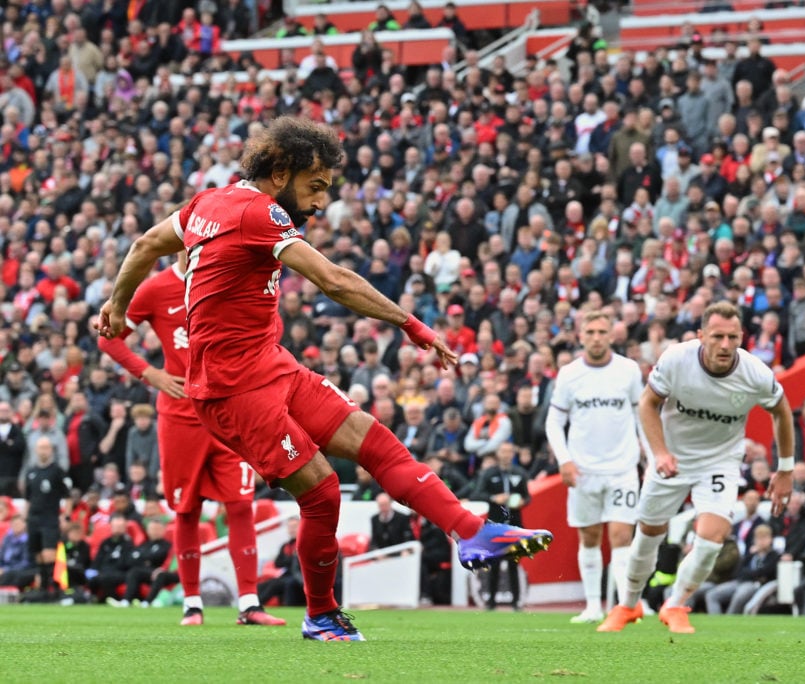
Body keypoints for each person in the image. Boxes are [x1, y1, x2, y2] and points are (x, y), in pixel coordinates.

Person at [97, 117, 552, 642]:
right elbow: (334, 280)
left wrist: (116, 303)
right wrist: (411, 324)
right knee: (322, 491)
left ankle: (472, 532)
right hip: (231, 390)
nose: (319, 203)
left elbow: (143, 245)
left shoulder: (206, 204)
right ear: (280, 172)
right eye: (315, 187)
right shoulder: (259, 212)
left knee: (376, 443)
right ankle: (320, 615)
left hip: (271, 365)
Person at [98, 250, 286, 627]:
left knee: (240, 503)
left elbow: (272, 325)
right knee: (186, 509)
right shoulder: (154, 289)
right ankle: (191, 604)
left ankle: (249, 603)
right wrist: (150, 374)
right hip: (182, 416)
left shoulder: (227, 279)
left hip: (231, 410)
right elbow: (109, 338)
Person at [597, 302, 794, 634]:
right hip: (672, 458)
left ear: (742, 337)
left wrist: (785, 469)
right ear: (702, 335)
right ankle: (627, 605)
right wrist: (659, 453)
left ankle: (675, 605)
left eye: (733, 337)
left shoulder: (755, 373)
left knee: (712, 538)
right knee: (648, 537)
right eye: (717, 336)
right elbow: (647, 403)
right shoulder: (677, 360)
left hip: (720, 461)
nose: (725, 345)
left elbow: (782, 412)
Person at [545, 310, 643, 624]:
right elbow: (554, 421)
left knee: (620, 536)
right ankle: (592, 606)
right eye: (591, 332)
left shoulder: (628, 371)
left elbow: (642, 416)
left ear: (612, 335)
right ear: (581, 336)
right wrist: (564, 460)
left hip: (622, 468)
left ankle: (626, 606)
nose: (597, 337)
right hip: (583, 471)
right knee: (588, 537)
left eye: (602, 331)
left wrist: (652, 458)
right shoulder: (570, 374)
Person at [472, 442, 532, 611]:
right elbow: (477, 493)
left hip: (514, 526)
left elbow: (527, 496)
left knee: (514, 563)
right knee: (494, 564)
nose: (506, 455)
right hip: (495, 525)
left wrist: (523, 501)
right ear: (498, 454)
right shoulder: (488, 474)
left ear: (513, 454)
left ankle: (516, 603)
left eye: (509, 451)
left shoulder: (520, 473)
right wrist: (493, 498)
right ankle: (490, 602)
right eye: (503, 452)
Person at [23, 436, 69, 600]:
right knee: (38, 555)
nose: (43, 450)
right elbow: (28, 498)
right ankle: (43, 588)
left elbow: (67, 496)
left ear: (51, 450)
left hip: (50, 518)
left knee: (49, 553)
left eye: (46, 447)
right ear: (36, 450)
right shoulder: (31, 472)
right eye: (41, 447)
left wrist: (66, 517)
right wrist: (25, 518)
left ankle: (54, 589)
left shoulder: (57, 470)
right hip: (33, 518)